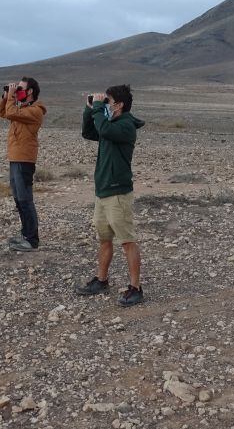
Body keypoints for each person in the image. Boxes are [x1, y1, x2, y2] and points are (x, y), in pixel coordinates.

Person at [75, 85, 147, 307]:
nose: (105, 105)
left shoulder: (125, 126)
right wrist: (90, 110)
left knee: (127, 240)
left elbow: (104, 130)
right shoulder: (110, 124)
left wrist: (98, 107)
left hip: (118, 192)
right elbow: (89, 133)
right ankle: (102, 279)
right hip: (103, 191)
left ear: (119, 105)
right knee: (104, 238)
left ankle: (136, 288)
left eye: (108, 101)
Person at [0, 76, 46, 252]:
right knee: (18, 199)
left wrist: (11, 95)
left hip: (24, 159)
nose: (17, 92)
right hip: (15, 157)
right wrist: (5, 96)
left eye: (20, 89)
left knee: (25, 200)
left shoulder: (35, 111)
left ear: (30, 91)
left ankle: (32, 240)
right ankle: (25, 235)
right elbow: (1, 112)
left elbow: (9, 113)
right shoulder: (21, 109)